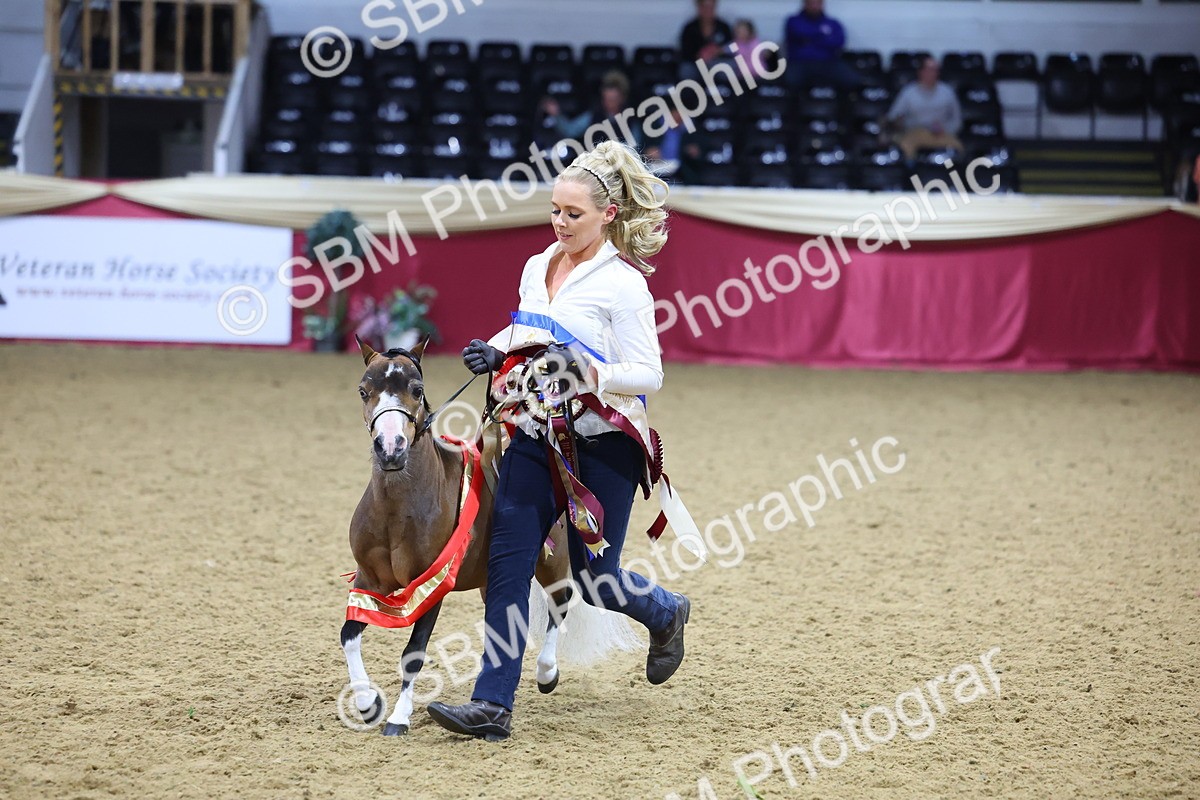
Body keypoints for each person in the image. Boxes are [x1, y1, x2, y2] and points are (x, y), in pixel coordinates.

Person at [426, 141, 694, 742]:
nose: (561, 222)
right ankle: (492, 705)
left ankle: (666, 611)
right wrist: (496, 348)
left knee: (598, 580)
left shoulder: (625, 287)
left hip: (605, 445)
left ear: (608, 215)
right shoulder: (536, 265)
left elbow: (649, 373)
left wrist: (593, 375)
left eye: (574, 214)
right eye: (555, 210)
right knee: (508, 563)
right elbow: (530, 328)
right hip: (536, 433)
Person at [886, 57, 964, 163]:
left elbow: (957, 119)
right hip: (914, 132)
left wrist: (946, 130)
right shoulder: (908, 92)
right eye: (929, 69)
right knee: (905, 147)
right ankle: (912, 177)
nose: (932, 73)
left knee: (958, 148)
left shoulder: (947, 92)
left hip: (941, 133)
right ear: (921, 72)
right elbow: (893, 116)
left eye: (935, 70)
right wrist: (901, 121)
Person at [537, 70, 639, 149]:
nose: (608, 103)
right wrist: (557, 114)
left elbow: (635, 148)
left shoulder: (630, 121)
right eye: (606, 99)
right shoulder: (593, 116)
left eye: (613, 100)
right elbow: (571, 130)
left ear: (622, 99)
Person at [784, 0, 859, 90]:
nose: (814, 6)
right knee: (790, 81)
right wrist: (824, 36)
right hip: (800, 63)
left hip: (828, 62)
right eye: (811, 3)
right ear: (805, 4)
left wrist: (809, 40)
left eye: (817, 3)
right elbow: (798, 33)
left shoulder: (833, 23)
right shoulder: (793, 21)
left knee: (852, 80)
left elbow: (839, 42)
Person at [679, 0, 733, 77]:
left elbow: (732, 47)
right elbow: (685, 51)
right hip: (695, 63)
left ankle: (721, 88)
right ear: (698, 8)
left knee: (727, 68)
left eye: (710, 7)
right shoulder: (689, 28)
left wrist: (718, 51)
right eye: (704, 7)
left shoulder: (723, 27)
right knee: (686, 70)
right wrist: (700, 56)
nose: (708, 10)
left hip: (717, 62)